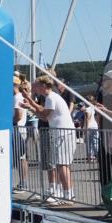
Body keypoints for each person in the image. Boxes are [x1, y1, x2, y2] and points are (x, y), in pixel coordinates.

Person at [22, 76, 75, 204]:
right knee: (61, 164)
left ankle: (68, 195)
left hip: (64, 133)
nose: (36, 88)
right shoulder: (50, 97)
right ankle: (67, 193)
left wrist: (30, 102)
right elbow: (44, 116)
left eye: (38, 85)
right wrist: (30, 105)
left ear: (45, 86)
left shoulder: (51, 97)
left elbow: (44, 115)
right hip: (61, 133)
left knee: (62, 165)